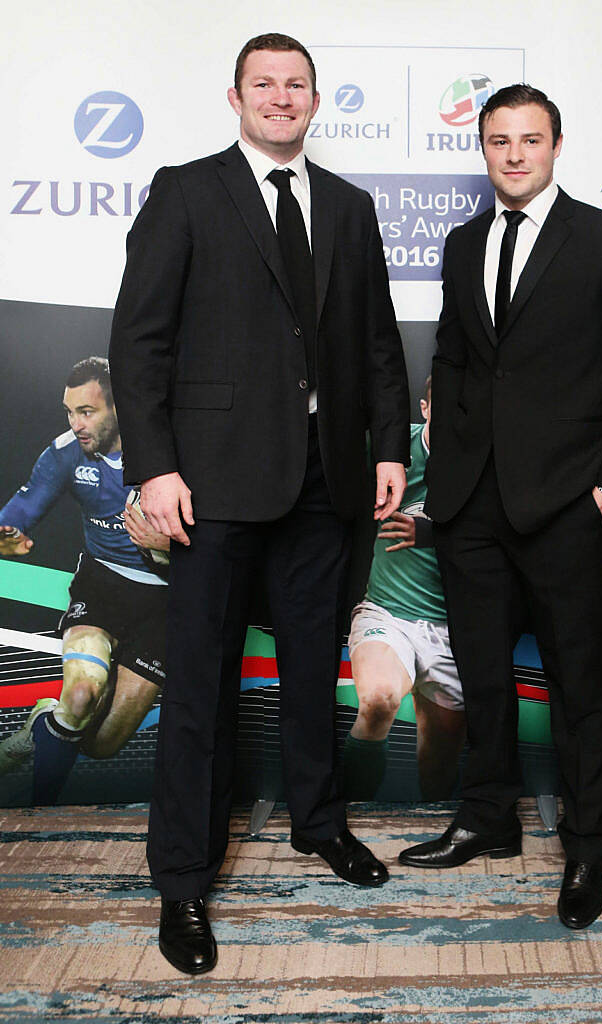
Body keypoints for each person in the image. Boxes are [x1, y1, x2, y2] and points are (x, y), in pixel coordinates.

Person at [108, 33, 409, 974]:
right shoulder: (186, 190)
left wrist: (390, 450)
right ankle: (183, 882)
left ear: (317, 99)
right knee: (200, 685)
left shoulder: (352, 208)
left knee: (314, 667)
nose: (281, 98)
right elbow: (140, 342)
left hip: (326, 480)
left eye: (297, 85)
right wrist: (152, 469)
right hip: (213, 483)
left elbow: (379, 348)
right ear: (234, 96)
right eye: (264, 85)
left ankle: (319, 823)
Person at [398, 84, 602, 930]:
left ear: (556, 146)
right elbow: (455, 353)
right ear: (482, 149)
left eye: (530, 139)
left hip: (567, 503)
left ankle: (589, 842)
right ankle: (488, 817)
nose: (514, 154)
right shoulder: (461, 241)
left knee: (578, 682)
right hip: (469, 503)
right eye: (499, 140)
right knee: (480, 673)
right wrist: (445, 458)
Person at [0, 357, 169, 802]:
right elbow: (14, 520)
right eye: (69, 411)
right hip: (103, 586)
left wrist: (171, 546)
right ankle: (41, 820)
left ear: (119, 408)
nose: (76, 424)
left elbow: (229, 539)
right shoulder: (64, 454)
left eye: (87, 412)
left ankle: (44, 722)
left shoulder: (170, 445)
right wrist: (6, 540)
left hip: (167, 605)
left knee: (100, 745)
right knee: (79, 694)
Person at [345, 378, 466, 802]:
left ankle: (432, 833)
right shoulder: (393, 454)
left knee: (439, 764)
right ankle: (349, 816)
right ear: (425, 409)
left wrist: (433, 533)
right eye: (442, 409)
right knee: (379, 701)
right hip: (388, 612)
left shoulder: (487, 460)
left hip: (455, 628)